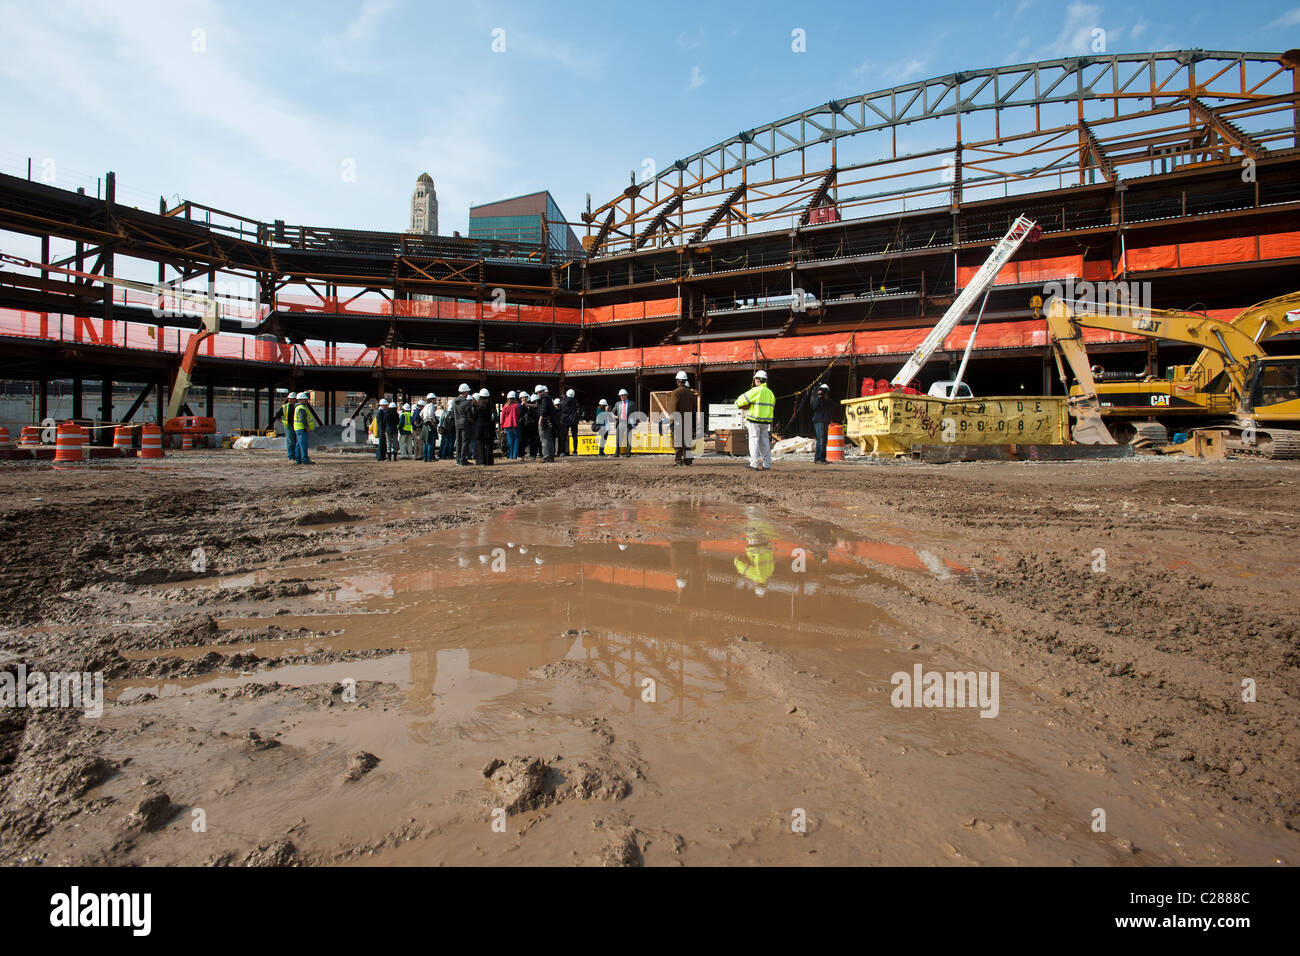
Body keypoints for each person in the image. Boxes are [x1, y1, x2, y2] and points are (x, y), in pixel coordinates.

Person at [736, 369, 775, 470]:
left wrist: (738, 404)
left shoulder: (755, 390)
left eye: (755, 379)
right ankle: (767, 465)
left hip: (754, 421)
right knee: (765, 442)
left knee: (754, 441)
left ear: (757, 380)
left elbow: (740, 401)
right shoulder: (771, 393)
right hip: (766, 422)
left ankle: (754, 464)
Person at [668, 371, 698, 466]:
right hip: (688, 420)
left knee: (677, 440)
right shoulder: (691, 393)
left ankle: (678, 460)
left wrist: (672, 422)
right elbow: (694, 409)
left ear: (678, 381)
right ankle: (688, 460)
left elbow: (673, 409)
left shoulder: (675, 393)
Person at [810, 382, 833, 464]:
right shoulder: (817, 399)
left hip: (824, 421)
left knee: (824, 441)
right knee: (821, 440)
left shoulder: (827, 400)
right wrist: (819, 397)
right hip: (819, 421)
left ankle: (822, 458)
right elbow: (814, 407)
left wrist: (826, 398)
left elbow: (833, 406)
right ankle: (818, 459)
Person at [474, 388, 498, 465]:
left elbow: (474, 417)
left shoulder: (477, 405)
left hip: (479, 428)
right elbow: (495, 417)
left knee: (479, 445)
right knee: (489, 445)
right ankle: (489, 461)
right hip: (489, 427)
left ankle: (480, 461)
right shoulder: (491, 405)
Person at [452, 383, 474, 465]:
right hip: (465, 423)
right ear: (465, 392)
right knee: (465, 442)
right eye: (467, 391)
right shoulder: (467, 402)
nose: (468, 393)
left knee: (458, 441)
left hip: (457, 423)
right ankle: (463, 459)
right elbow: (470, 415)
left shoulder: (454, 401)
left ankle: (458, 459)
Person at [292, 391, 316, 464]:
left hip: (298, 428)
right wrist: (307, 427)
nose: (306, 400)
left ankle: (298, 459)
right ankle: (305, 459)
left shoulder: (298, 407)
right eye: (305, 399)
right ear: (301, 399)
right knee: (303, 444)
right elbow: (303, 419)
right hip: (302, 428)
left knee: (299, 444)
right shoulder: (301, 408)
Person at [536, 385, 558, 462]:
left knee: (544, 439)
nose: (538, 394)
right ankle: (550, 457)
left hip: (544, 421)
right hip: (548, 421)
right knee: (549, 439)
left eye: (540, 392)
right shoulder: (548, 399)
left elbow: (544, 409)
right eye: (537, 392)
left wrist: (540, 419)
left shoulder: (544, 399)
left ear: (543, 391)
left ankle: (546, 457)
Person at [612, 389, 635, 458]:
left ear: (626, 395)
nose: (621, 397)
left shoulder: (632, 404)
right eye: (620, 396)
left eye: (622, 395)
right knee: (618, 438)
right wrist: (614, 416)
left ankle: (628, 453)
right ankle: (617, 453)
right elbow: (613, 412)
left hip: (629, 423)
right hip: (620, 423)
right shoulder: (617, 403)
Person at [559, 388, 579, 456]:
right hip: (574, 420)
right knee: (574, 436)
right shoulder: (575, 401)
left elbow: (560, 408)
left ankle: (562, 451)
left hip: (565, 420)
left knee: (563, 436)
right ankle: (575, 451)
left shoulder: (563, 401)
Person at [501, 391, 521, 459]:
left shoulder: (505, 406)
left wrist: (501, 426)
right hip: (515, 424)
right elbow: (519, 415)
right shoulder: (518, 405)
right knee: (516, 439)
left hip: (507, 425)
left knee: (510, 440)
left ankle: (510, 455)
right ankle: (515, 455)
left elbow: (502, 417)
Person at [279, 390, 298, 462]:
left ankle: (296, 456)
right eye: (290, 399)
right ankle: (291, 456)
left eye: (292, 399)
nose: (291, 400)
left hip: (297, 425)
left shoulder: (297, 406)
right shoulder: (285, 407)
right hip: (289, 426)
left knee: (296, 441)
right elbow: (278, 416)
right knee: (290, 441)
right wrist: (283, 422)